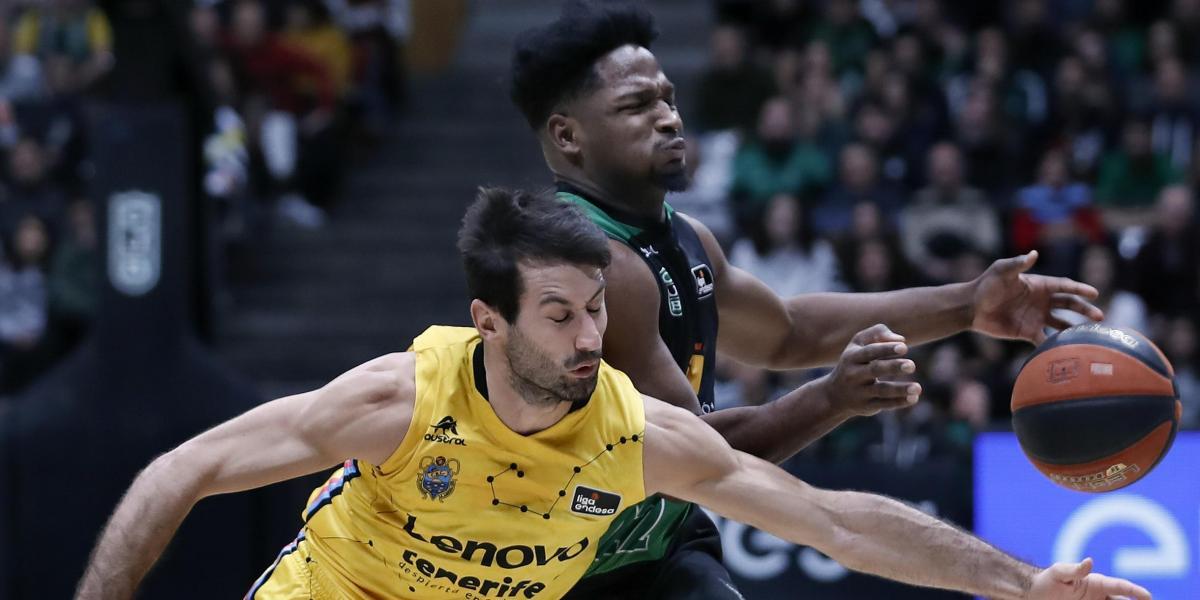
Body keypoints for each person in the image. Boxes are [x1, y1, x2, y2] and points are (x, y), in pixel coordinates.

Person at [75, 188, 1150, 600]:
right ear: (488, 319)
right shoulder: (399, 400)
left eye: (596, 308)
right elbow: (182, 470)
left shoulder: (630, 433)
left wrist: (1022, 586)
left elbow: (834, 524)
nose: (592, 337)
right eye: (559, 314)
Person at [509, 3, 1105, 598]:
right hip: (565, 567)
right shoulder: (588, 268)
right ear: (568, 135)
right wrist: (832, 397)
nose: (669, 119)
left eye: (668, 99)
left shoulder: (683, 235)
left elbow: (789, 331)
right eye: (637, 106)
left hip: (657, 545)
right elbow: (697, 458)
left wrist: (969, 304)